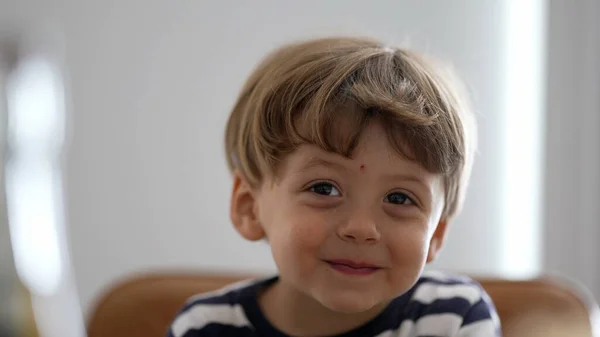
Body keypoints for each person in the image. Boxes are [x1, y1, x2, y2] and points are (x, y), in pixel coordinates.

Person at [167, 36, 500, 337]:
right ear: (249, 207)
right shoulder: (205, 329)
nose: (361, 229)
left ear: (437, 232)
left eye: (400, 198)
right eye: (324, 189)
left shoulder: (454, 319)